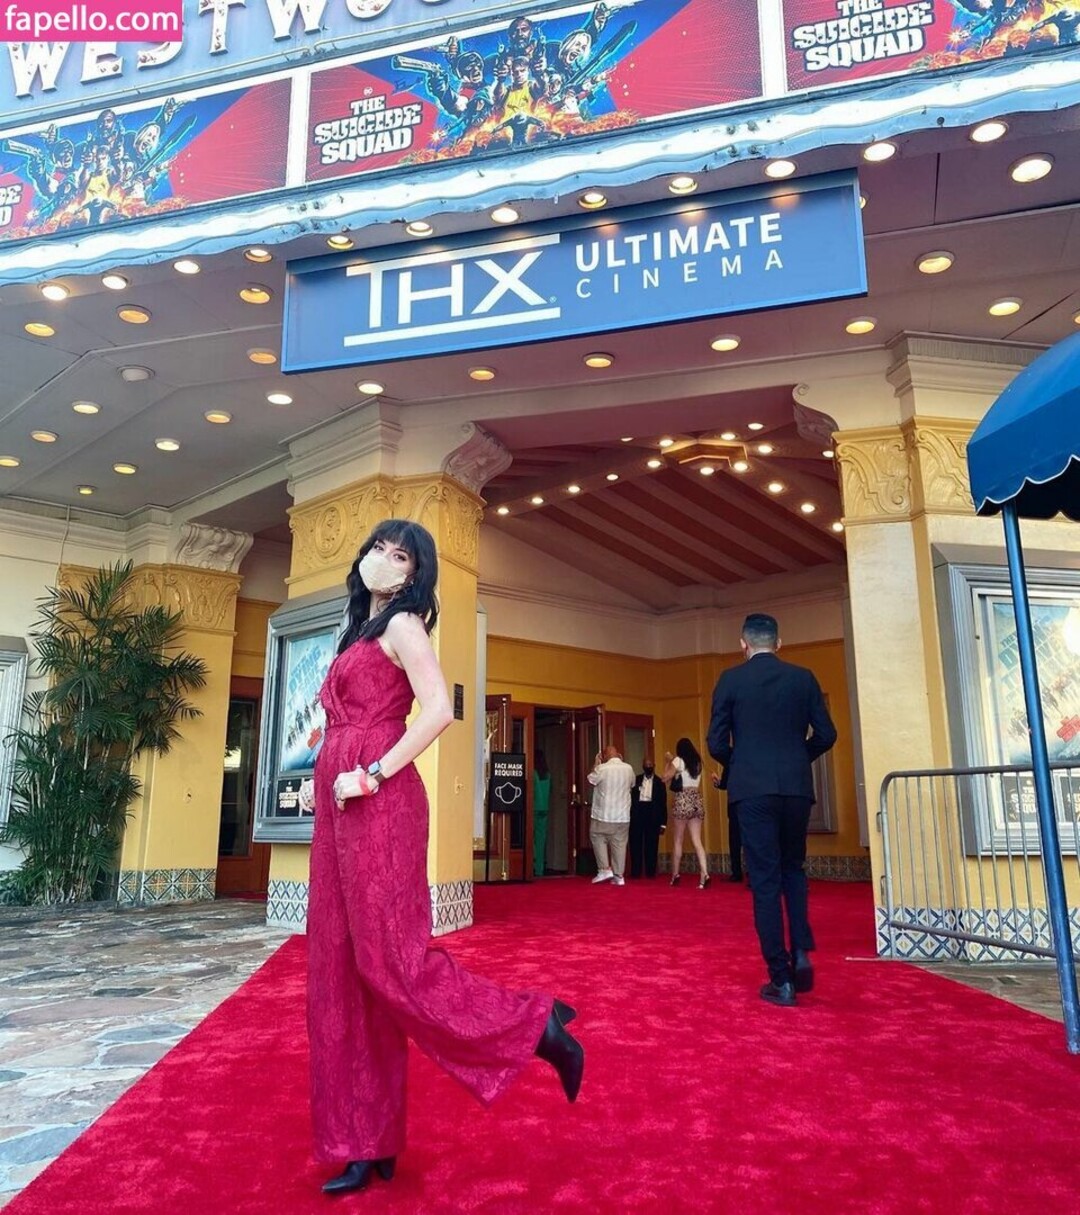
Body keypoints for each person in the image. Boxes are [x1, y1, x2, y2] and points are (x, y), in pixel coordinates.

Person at [299, 519, 584, 1195]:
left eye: (400, 555)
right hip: (338, 805)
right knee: (338, 970)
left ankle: (533, 1027)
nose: (384, 560)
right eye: (378, 548)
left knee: (390, 961)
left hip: (379, 804)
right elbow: (341, 722)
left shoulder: (404, 626)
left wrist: (370, 774)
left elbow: (437, 712)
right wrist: (323, 774)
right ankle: (366, 1140)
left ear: (414, 574)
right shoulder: (356, 630)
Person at [706, 613, 837, 1007]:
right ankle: (800, 950)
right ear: (779, 643)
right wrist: (797, 757)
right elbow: (827, 734)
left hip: (752, 791)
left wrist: (741, 763)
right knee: (793, 869)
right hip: (795, 789)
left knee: (764, 880)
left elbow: (716, 743)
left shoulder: (730, 680)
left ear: (743, 644)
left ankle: (781, 978)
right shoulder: (803, 678)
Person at [662, 738, 710, 889]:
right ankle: (704, 873)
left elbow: (665, 777)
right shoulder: (698, 762)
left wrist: (668, 762)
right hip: (696, 799)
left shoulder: (678, 761)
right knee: (697, 840)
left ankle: (675, 875)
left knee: (678, 840)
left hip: (682, 799)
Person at [587, 744, 635, 885]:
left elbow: (591, 779)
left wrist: (596, 764)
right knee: (619, 844)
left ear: (605, 756)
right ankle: (619, 876)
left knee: (597, 836)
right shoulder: (629, 768)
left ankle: (604, 869)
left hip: (604, 814)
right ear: (618, 755)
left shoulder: (602, 768)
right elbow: (632, 784)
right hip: (623, 816)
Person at [629, 758, 666, 878]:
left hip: (653, 814)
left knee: (652, 843)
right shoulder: (636, 780)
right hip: (638, 813)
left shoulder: (660, 782)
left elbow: (663, 803)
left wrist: (663, 823)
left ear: (654, 765)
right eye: (646, 765)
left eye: (650, 765)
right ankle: (636, 872)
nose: (648, 766)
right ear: (643, 766)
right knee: (635, 843)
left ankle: (650, 872)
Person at [711, 771, 745, 883]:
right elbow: (724, 784)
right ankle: (740, 872)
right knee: (738, 841)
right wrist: (718, 782)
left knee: (740, 841)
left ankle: (740, 872)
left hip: (742, 805)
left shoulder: (731, 765)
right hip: (740, 805)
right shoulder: (731, 765)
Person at [533, 748, 552, 877]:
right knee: (541, 839)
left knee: (531, 839)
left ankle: (532, 864)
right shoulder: (547, 774)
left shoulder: (533, 773)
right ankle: (539, 868)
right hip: (544, 808)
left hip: (533, 808)